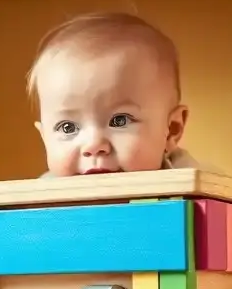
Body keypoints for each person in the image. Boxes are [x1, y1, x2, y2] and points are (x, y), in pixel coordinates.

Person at [27, 11, 211, 177]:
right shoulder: (42, 198)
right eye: (67, 127)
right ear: (44, 138)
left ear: (172, 130)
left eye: (120, 120)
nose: (93, 145)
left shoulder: (193, 185)